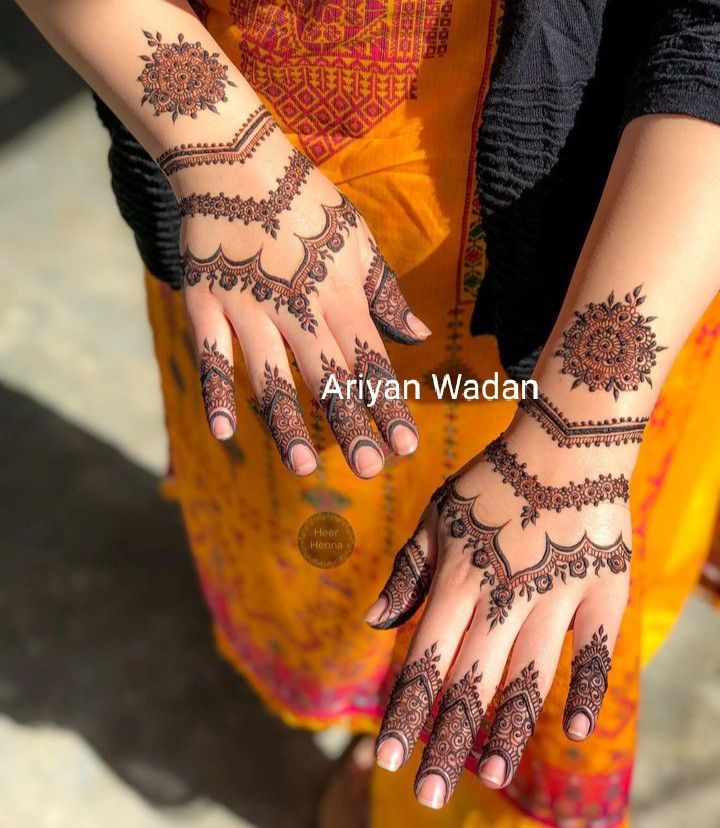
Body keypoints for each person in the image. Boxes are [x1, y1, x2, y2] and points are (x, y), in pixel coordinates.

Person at [16, 0, 720, 825]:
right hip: (268, 251)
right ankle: (369, 720)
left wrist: (580, 431)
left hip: (616, 270)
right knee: (333, 556)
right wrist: (218, 146)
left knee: (532, 621)